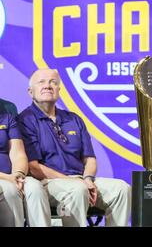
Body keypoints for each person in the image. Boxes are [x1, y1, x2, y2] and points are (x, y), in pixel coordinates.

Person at [17, 68, 131, 227]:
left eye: (53, 82)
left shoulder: (74, 119)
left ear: (59, 89)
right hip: (48, 182)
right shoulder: (25, 120)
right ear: (30, 91)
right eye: (41, 82)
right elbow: (33, 167)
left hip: (81, 180)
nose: (48, 86)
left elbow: (90, 159)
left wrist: (88, 179)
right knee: (77, 190)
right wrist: (72, 181)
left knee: (121, 189)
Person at [0, 111, 51, 226]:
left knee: (35, 188)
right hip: (5, 178)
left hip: (12, 176)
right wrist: (7, 178)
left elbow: (18, 153)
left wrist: (18, 174)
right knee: (9, 190)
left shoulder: (6, 118)